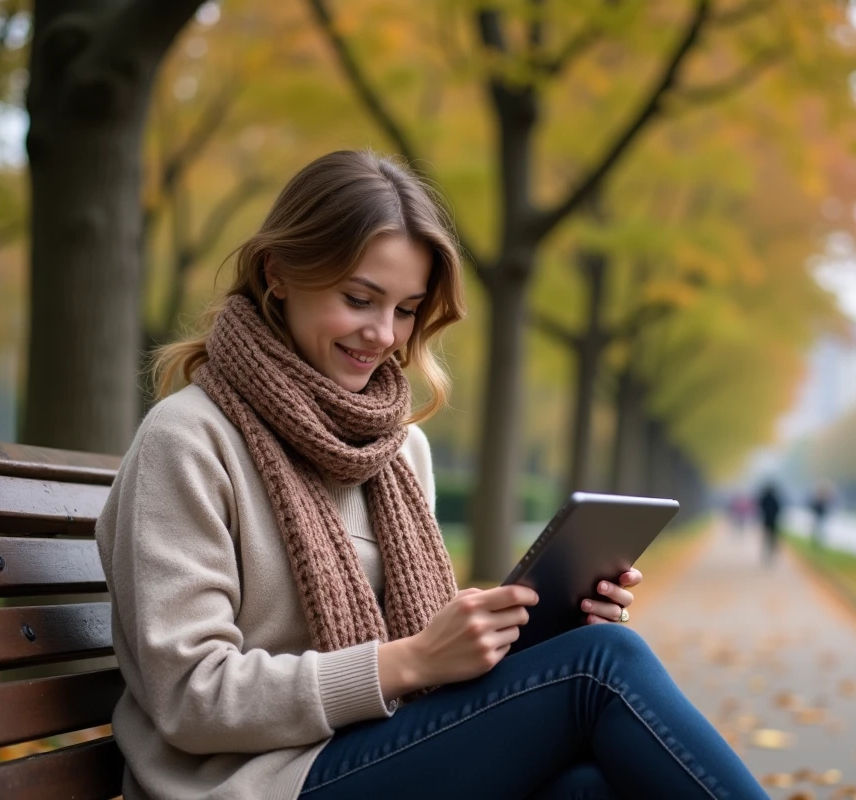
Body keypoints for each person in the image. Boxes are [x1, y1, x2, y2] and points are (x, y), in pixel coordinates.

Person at [95, 151, 767, 800]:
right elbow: (189, 696)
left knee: (592, 769)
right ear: (278, 272)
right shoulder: (188, 439)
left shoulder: (398, 449)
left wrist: (543, 628)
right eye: (360, 298)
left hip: (372, 749)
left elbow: (421, 651)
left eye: (407, 309)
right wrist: (412, 661)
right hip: (250, 784)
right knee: (603, 667)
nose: (384, 334)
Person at [756, 481, 784, 565]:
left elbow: (760, 507)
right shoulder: (775, 499)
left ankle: (766, 552)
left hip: (766, 521)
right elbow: (778, 509)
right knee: (772, 538)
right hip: (773, 521)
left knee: (766, 537)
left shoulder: (764, 498)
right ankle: (772, 551)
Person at [808, 481, 834, 548]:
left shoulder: (824, 497)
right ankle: (815, 542)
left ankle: (818, 542)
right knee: (816, 528)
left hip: (821, 515)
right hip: (817, 514)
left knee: (820, 529)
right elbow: (813, 505)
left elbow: (828, 505)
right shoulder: (817, 497)